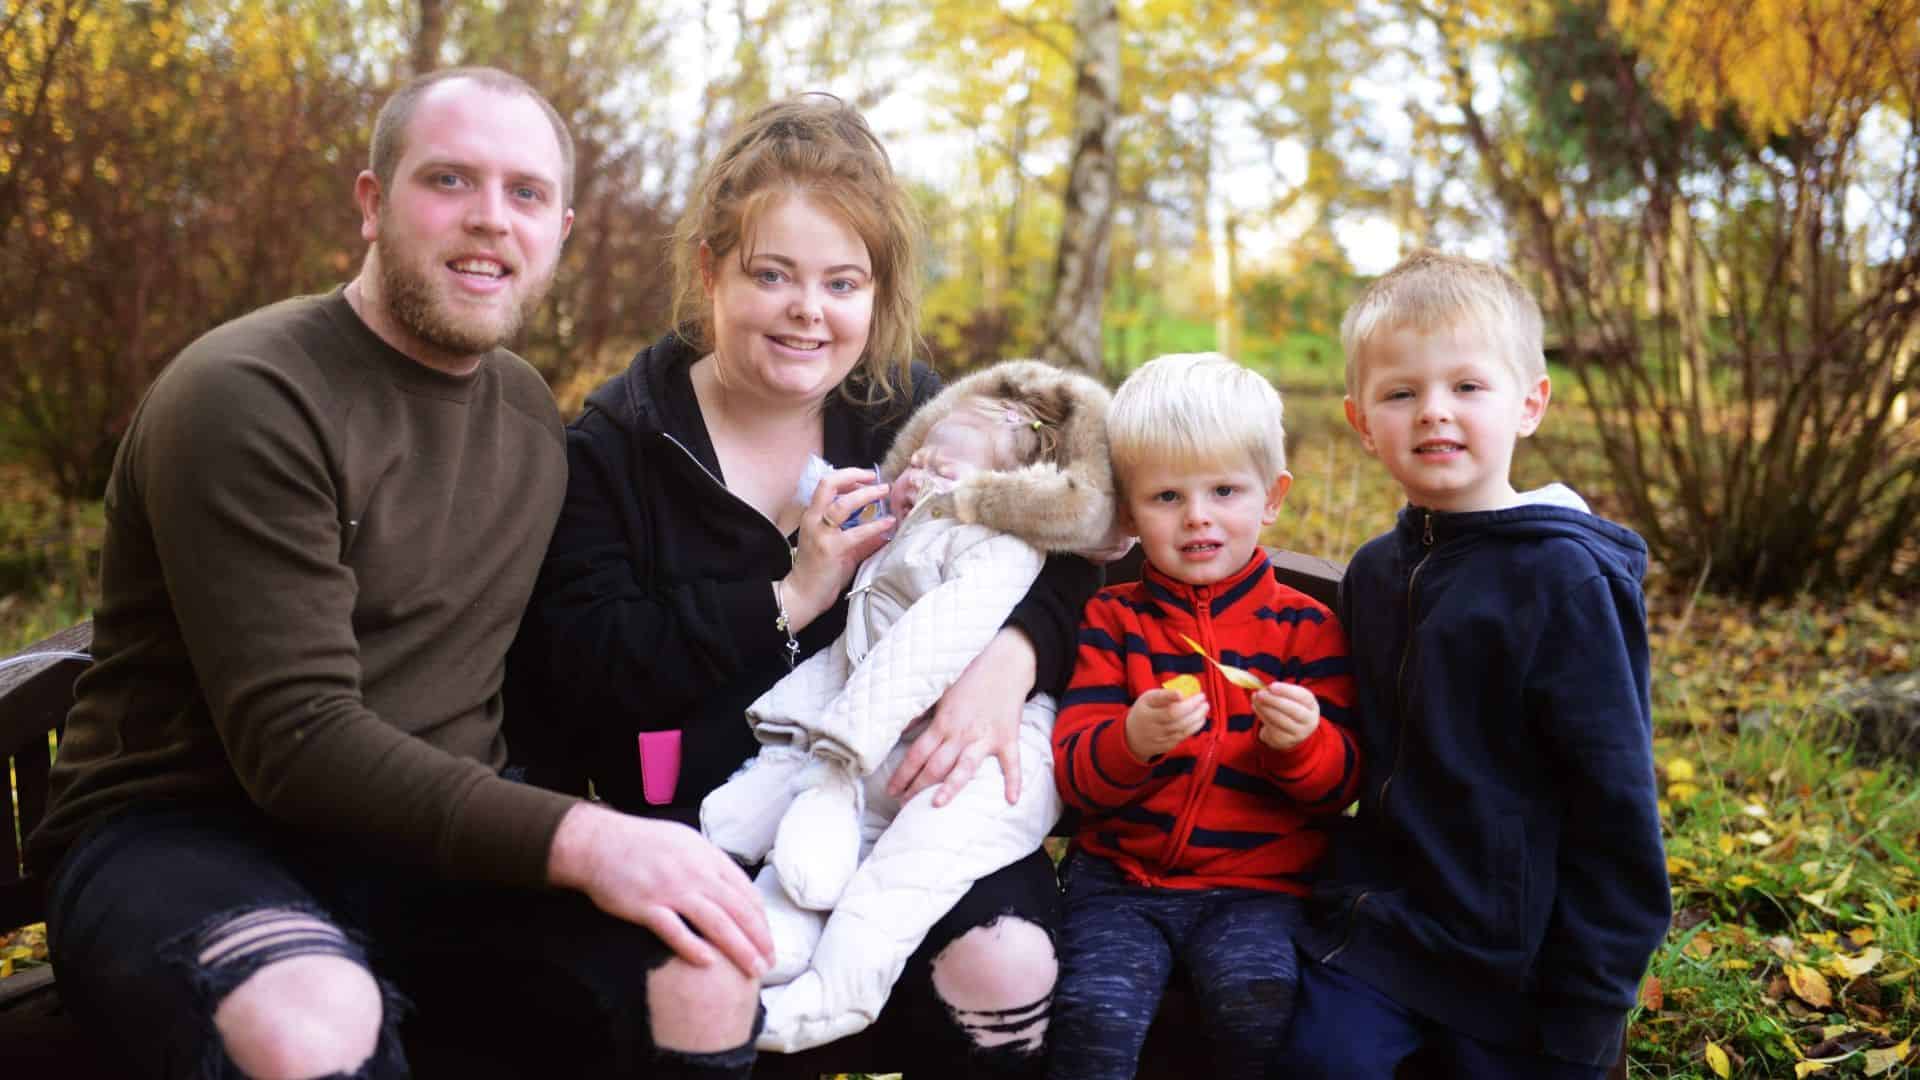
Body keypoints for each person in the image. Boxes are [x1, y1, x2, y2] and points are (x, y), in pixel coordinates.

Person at [27, 67, 773, 1080]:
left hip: (430, 844)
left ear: (560, 229)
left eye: (525, 194)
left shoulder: (526, 419)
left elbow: (566, 665)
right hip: (184, 838)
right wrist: (595, 840)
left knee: (703, 965)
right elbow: (297, 742)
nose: (489, 221)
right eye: (450, 181)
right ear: (374, 205)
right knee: (310, 1019)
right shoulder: (251, 395)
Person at [504, 94, 1104, 1076]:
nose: (808, 313)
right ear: (711, 270)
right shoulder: (622, 444)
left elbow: (1064, 549)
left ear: (876, 292)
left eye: (841, 282)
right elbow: (586, 662)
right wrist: (792, 596)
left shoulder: (908, 412)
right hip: (702, 825)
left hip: (898, 808)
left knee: (1009, 961)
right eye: (772, 275)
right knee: (716, 974)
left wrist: (1012, 653)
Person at [1279, 251, 1669, 1078]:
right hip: (1383, 932)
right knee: (1319, 1062)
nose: (1433, 414)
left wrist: (1592, 1000)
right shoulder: (1378, 571)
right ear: (1360, 421)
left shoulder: (1564, 579)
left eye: (1467, 387)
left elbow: (1616, 803)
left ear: (1530, 404)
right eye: (1400, 393)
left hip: (1518, 960)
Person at [700, 359, 1117, 1052]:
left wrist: (839, 752)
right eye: (916, 456)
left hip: (985, 760)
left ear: (999, 489)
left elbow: (927, 643)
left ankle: (840, 993)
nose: (918, 467)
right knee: (838, 845)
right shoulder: (908, 537)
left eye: (941, 465)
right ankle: (780, 942)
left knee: (909, 866)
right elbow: (851, 654)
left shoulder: (995, 545)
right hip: (886, 738)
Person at [1046, 352, 1361, 1080]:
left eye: (1224, 490)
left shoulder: (1305, 629)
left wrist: (1304, 745)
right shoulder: (1113, 621)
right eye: (1166, 497)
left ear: (1272, 496)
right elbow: (1076, 777)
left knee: (1260, 1004)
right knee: (1093, 1016)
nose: (1198, 518)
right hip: (1121, 884)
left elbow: (1337, 787)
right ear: (1128, 509)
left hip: (1259, 888)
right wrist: (1131, 742)